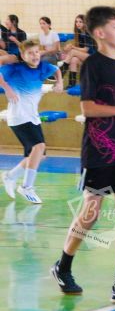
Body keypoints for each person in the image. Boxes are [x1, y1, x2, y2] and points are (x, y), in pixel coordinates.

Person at [51, 6, 115, 306]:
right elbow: (88, 108)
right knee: (91, 212)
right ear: (100, 33)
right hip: (99, 149)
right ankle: (63, 265)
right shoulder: (92, 65)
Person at [0, 41, 63, 204]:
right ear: (22, 56)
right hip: (18, 117)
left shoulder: (43, 66)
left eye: (36, 52)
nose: (34, 55)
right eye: (30, 53)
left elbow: (56, 70)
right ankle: (27, 186)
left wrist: (60, 82)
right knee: (39, 147)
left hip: (32, 116)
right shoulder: (15, 69)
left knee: (40, 155)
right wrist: (6, 87)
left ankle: (10, 176)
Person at [61, 14, 96, 87]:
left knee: (73, 51)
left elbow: (86, 50)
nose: (78, 23)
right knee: (73, 60)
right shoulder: (79, 33)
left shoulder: (88, 33)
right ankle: (71, 84)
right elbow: (79, 49)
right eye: (76, 22)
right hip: (86, 57)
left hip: (94, 58)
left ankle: (61, 72)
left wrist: (73, 47)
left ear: (85, 23)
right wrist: (68, 48)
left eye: (80, 22)